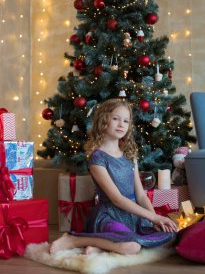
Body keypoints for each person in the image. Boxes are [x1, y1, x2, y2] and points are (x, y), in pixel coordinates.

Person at [50, 98, 178, 255]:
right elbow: (116, 198)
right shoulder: (97, 158)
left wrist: (155, 219)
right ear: (103, 120)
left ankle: (102, 246)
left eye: (126, 121)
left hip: (134, 214)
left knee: (170, 236)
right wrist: (153, 218)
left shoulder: (130, 156)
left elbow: (141, 196)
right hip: (110, 216)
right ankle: (74, 240)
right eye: (115, 119)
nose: (121, 124)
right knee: (132, 246)